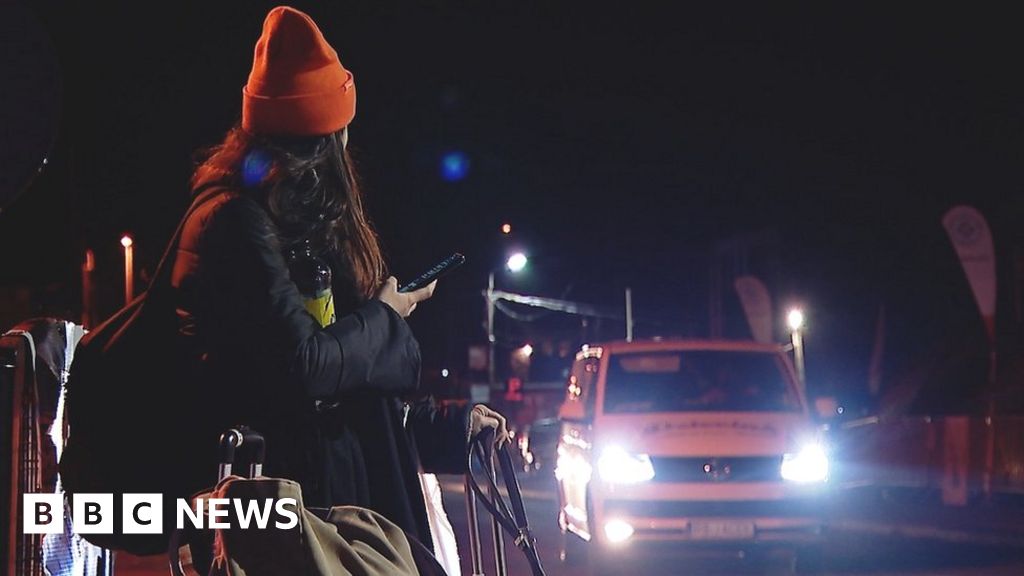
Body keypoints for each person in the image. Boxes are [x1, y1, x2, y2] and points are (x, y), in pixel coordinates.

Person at [169, 4, 508, 565]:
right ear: (328, 133)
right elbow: (305, 369)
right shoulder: (237, 222)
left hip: (322, 511)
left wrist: (449, 426)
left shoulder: (288, 221)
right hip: (287, 518)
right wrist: (386, 314)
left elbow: (346, 394)